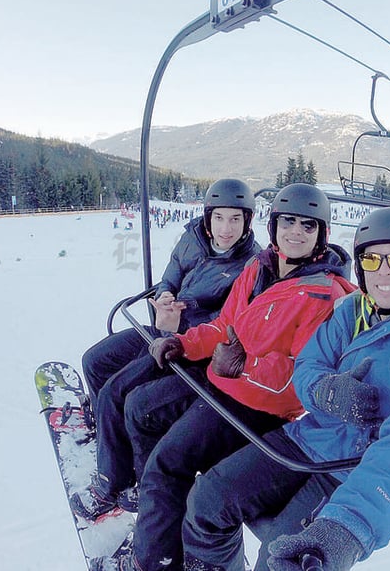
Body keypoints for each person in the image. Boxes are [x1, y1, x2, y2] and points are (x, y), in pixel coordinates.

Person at [89, 183, 356, 571]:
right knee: (142, 410)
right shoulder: (259, 268)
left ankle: (152, 560)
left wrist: (244, 365)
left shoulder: (323, 295)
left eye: (308, 226)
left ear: (322, 234)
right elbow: (224, 328)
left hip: (257, 409)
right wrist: (183, 343)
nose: (296, 233)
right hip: (222, 383)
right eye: (288, 223)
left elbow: (298, 379)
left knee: (169, 464)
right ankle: (157, 532)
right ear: (274, 226)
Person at [181, 206, 390, 571]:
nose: (385, 272)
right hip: (311, 438)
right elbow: (308, 367)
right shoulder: (352, 311)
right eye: (373, 259)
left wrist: (348, 527)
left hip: (356, 466)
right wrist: (327, 392)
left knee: (281, 558)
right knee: (208, 500)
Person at [70, 178, 261, 518]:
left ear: (248, 222)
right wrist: (165, 296)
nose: (226, 228)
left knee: (119, 392)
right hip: (162, 328)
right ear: (208, 218)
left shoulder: (249, 266)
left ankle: (111, 482)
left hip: (186, 346)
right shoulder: (194, 239)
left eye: (235, 219)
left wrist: (180, 326)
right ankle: (111, 440)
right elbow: (172, 274)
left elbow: (230, 321)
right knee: (96, 361)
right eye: (219, 218)